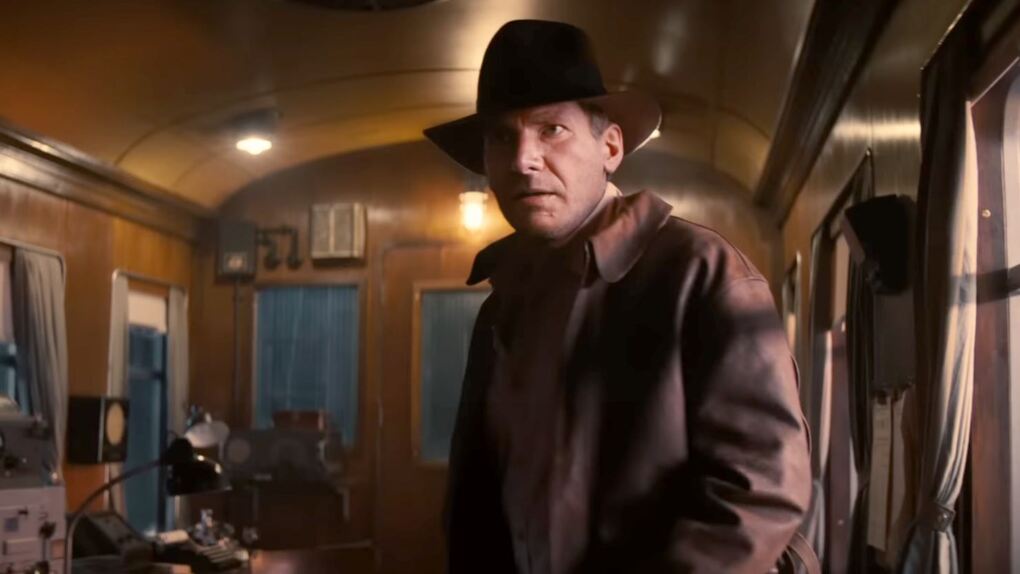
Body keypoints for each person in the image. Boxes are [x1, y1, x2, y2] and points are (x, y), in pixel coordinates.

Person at [424, 19, 812, 574]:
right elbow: (478, 508)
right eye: (502, 138)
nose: (523, 159)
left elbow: (759, 492)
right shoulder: (500, 308)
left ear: (609, 147)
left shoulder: (700, 273)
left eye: (551, 130)